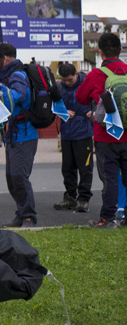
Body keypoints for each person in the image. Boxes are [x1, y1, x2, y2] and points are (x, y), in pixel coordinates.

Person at [75, 32, 127, 228]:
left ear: (101, 51)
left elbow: (80, 98)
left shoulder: (96, 75)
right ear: (120, 50)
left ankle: (107, 218)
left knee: (110, 179)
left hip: (106, 136)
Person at [0, 43, 38, 228]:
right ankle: (21, 215)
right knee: (12, 178)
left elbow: (18, 96)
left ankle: (29, 216)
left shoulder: (17, 75)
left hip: (24, 134)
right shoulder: (9, 75)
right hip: (14, 135)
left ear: (4, 59)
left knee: (19, 177)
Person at [53, 63, 93, 213]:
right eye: (64, 80)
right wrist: (63, 112)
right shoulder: (59, 87)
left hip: (83, 132)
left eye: (69, 80)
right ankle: (70, 197)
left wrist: (93, 110)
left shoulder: (87, 83)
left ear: (76, 74)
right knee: (67, 168)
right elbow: (53, 105)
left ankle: (83, 199)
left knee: (85, 168)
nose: (67, 83)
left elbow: (100, 98)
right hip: (67, 132)